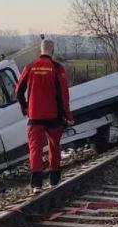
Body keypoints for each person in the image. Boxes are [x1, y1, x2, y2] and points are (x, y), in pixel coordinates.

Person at [15, 38, 74, 194]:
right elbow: (63, 95)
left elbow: (18, 91)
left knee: (35, 149)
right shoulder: (57, 68)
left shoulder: (29, 66)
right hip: (53, 116)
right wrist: (68, 115)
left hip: (34, 116)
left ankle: (36, 184)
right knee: (54, 147)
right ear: (52, 51)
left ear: (40, 50)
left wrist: (26, 108)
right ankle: (54, 180)